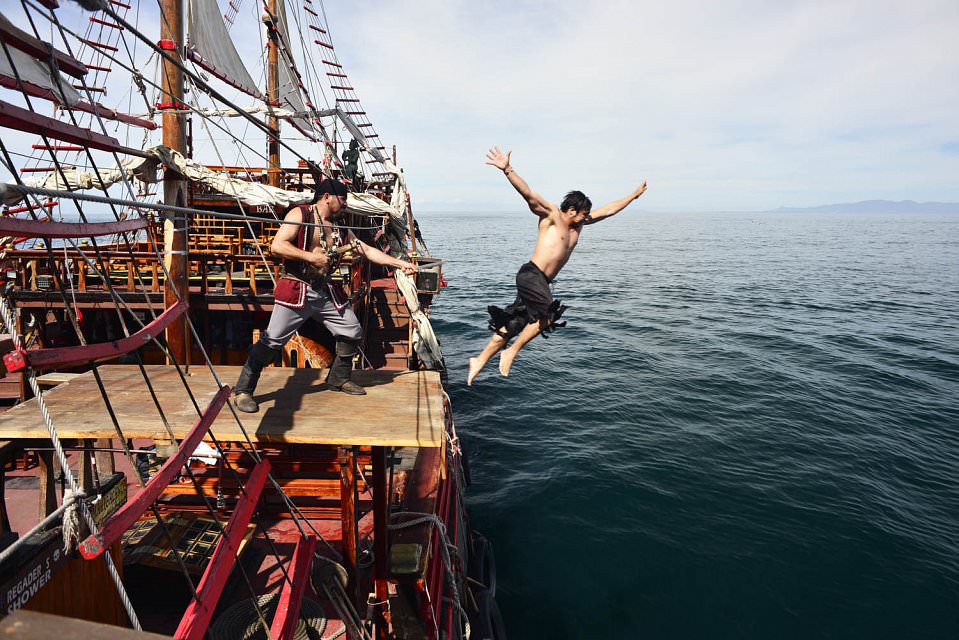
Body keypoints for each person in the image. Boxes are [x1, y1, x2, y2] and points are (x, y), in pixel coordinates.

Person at [467, 147, 647, 385]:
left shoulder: (579, 224)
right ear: (571, 210)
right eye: (583, 214)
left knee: (513, 324)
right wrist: (507, 169)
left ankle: (479, 360)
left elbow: (609, 209)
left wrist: (633, 195)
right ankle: (511, 352)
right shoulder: (552, 215)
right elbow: (528, 193)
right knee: (549, 315)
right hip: (531, 274)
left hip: (541, 281)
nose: (587, 218)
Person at [233, 178, 417, 412]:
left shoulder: (339, 226)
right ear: (327, 196)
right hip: (297, 288)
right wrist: (311, 257)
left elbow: (367, 250)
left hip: (324, 289)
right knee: (273, 340)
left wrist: (399, 264)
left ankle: (338, 378)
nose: (346, 203)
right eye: (343, 199)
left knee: (351, 330)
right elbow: (277, 246)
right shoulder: (300, 214)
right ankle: (243, 391)